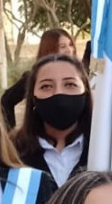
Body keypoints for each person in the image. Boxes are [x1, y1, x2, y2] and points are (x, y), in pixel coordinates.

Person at [14, 54, 92, 188]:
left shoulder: (105, 150)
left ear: (85, 91)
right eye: (46, 86)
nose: (58, 93)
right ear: (33, 97)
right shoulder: (12, 152)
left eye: (70, 84)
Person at [1, 28, 76, 128]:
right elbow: (7, 100)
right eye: (63, 46)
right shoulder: (34, 77)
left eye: (71, 45)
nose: (69, 50)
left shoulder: (78, 76)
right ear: (50, 49)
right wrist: (9, 133)